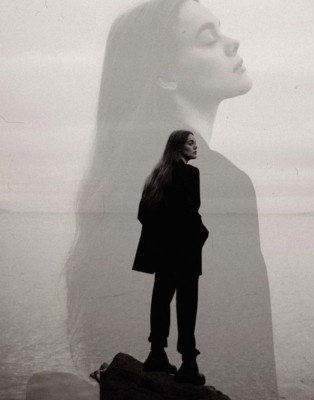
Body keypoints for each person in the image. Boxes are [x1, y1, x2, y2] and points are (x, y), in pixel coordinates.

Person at [65, 0, 279, 398]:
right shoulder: (224, 182)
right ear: (164, 75)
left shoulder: (118, 176)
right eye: (208, 38)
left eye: (221, 29)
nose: (232, 43)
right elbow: (252, 371)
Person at [132, 130, 209, 385]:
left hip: (164, 253)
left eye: (195, 142)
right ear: (178, 148)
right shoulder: (190, 173)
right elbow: (190, 211)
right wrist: (202, 233)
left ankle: (156, 355)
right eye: (190, 143)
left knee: (161, 300)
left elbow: (144, 215)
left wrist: (165, 236)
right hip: (185, 251)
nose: (196, 147)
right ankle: (189, 363)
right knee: (187, 306)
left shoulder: (156, 175)